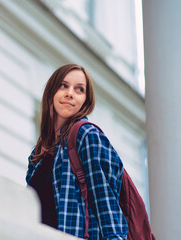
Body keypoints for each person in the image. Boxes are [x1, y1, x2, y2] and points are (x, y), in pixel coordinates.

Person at [26, 64, 128, 239]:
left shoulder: (86, 136)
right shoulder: (39, 153)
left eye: (79, 89)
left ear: (85, 102)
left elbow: (107, 209)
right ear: (51, 92)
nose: (70, 94)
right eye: (63, 86)